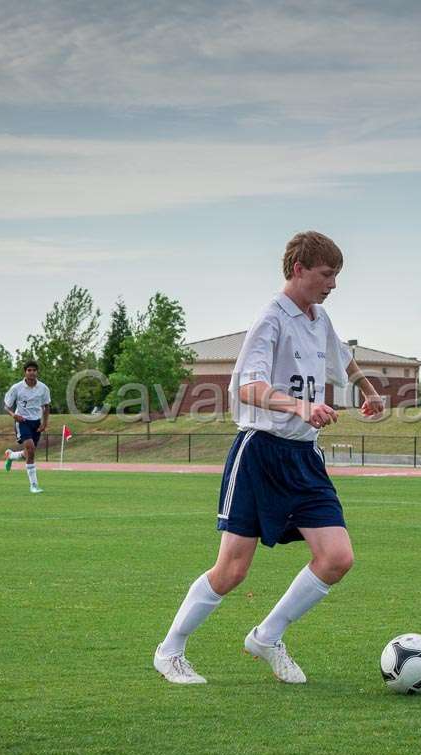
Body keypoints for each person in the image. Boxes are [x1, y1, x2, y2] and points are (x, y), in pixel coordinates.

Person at [153, 231, 385, 685]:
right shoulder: (270, 320)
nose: (332, 284)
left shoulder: (320, 318)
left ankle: (267, 635)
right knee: (233, 570)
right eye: (326, 274)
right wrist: (301, 407)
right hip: (260, 453)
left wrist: (369, 391)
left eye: (336, 275)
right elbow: (245, 388)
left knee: (336, 558)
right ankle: (170, 650)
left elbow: (344, 359)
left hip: (304, 457)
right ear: (299, 269)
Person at [3, 361, 50, 494]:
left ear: (37, 372)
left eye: (34, 370)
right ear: (25, 372)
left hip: (36, 422)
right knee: (30, 448)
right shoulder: (16, 388)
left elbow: (47, 406)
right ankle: (34, 486)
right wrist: (14, 415)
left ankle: (11, 455)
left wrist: (45, 423)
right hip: (22, 421)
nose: (31, 372)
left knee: (29, 452)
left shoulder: (43, 388)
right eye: (29, 370)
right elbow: (7, 405)